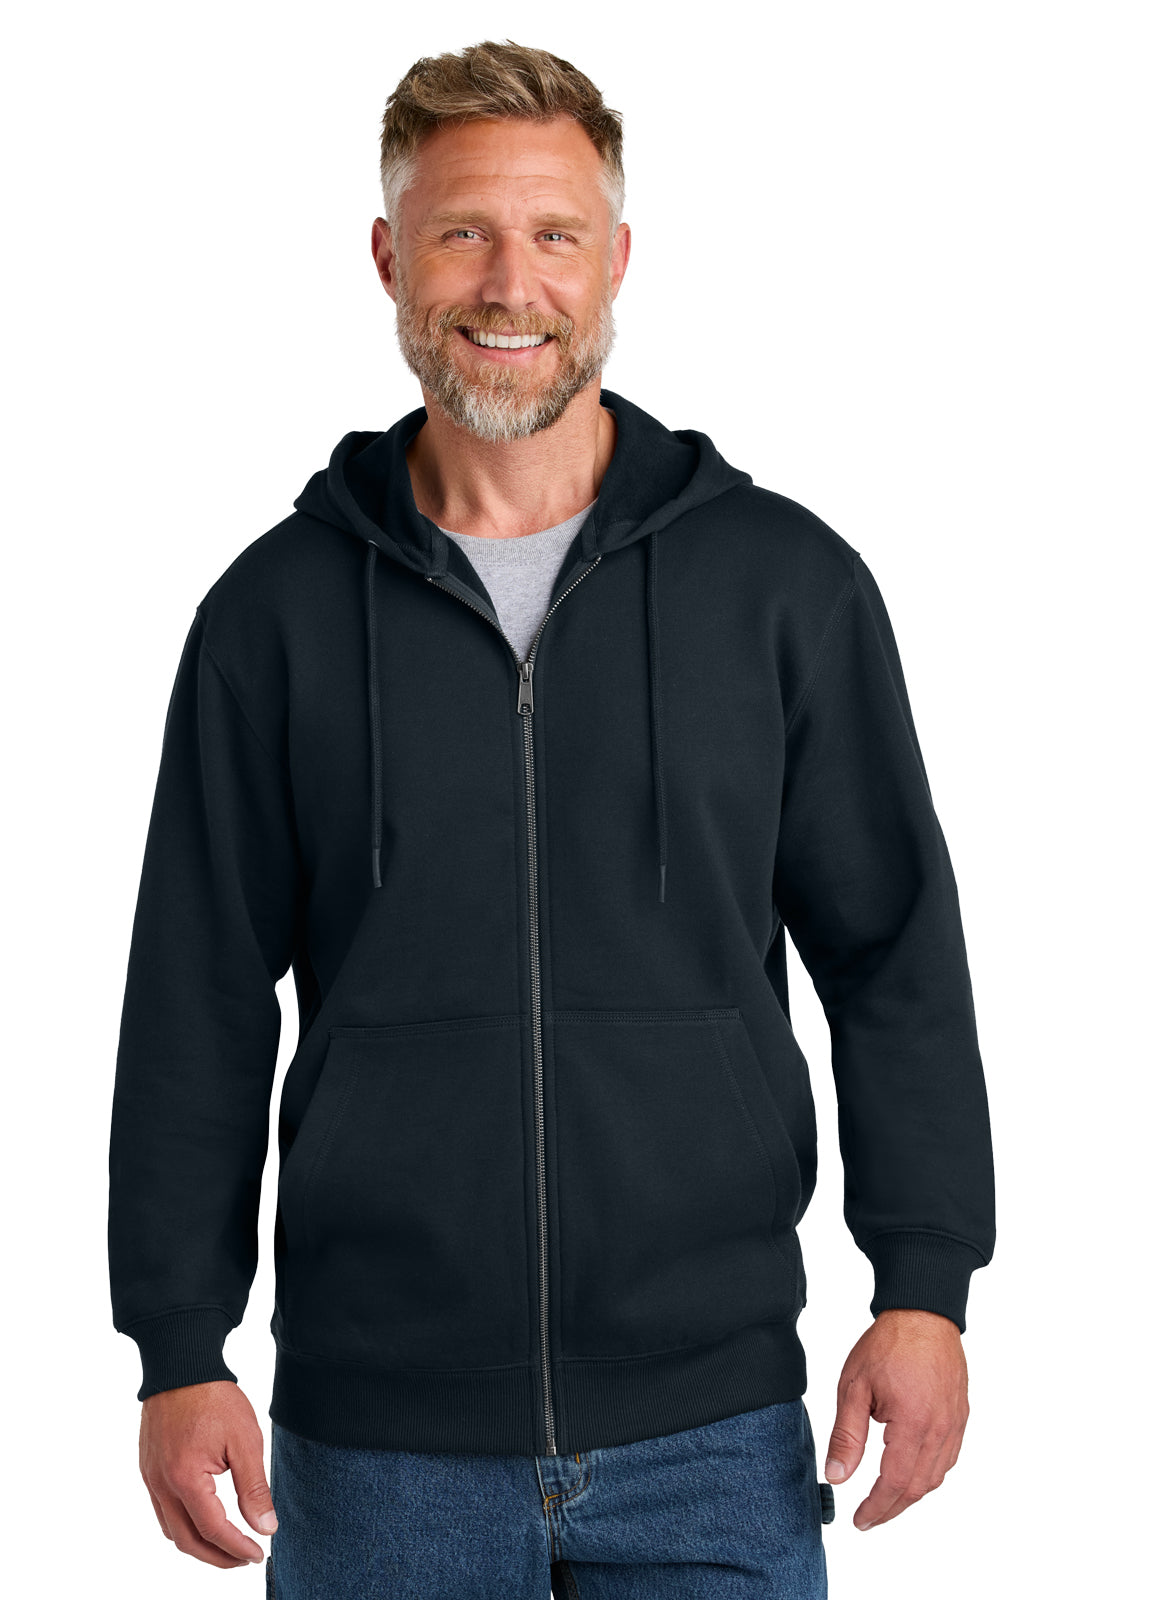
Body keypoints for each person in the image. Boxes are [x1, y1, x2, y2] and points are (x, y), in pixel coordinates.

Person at [108, 39, 996, 1600]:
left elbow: (892, 957)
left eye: (554, 235)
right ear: (389, 258)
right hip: (376, 1447)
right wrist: (178, 1344)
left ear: (617, 261)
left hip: (713, 1431)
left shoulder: (782, 589)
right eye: (462, 232)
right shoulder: (273, 617)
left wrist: (923, 1284)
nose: (510, 284)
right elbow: (198, 1001)